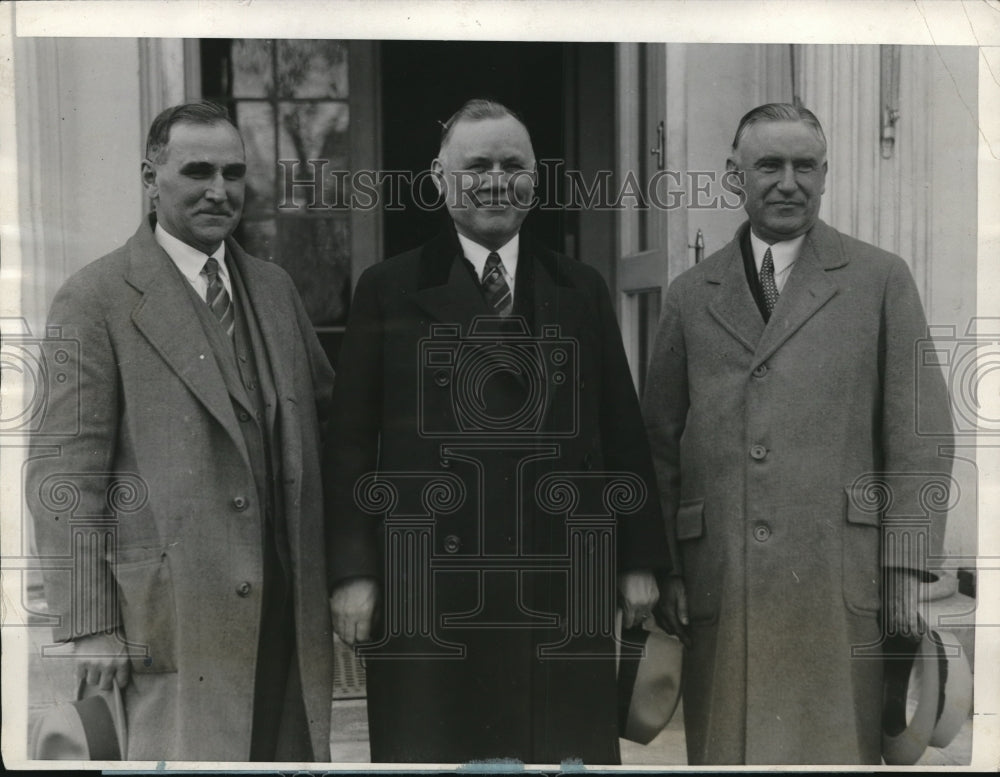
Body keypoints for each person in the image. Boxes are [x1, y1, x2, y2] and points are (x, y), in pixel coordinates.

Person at [324, 98, 669, 764]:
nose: (495, 180)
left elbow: (622, 430)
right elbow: (348, 444)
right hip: (428, 592)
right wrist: (353, 573)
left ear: (534, 181)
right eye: (476, 164)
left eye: (513, 164)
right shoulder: (388, 288)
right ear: (438, 177)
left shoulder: (581, 287)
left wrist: (637, 560)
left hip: (562, 588)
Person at [644, 103, 954, 765]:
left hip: (835, 572)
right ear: (735, 177)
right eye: (769, 165)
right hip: (719, 574)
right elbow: (656, 442)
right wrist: (666, 562)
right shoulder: (689, 294)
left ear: (825, 174)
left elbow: (920, 431)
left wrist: (904, 562)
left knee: (832, 749)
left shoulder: (879, 279)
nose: (788, 181)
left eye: (804, 166)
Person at [26, 101, 336, 761]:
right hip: (170, 622)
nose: (219, 190)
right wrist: (91, 626)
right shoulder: (96, 298)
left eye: (233, 172)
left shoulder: (275, 290)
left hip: (285, 613)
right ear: (150, 177)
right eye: (197, 171)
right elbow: (62, 476)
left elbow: (326, 426)